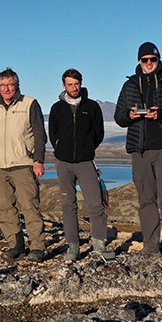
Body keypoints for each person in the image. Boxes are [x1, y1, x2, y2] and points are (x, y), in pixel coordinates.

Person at [114, 42, 162, 258]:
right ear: (139, 61)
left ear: (158, 59)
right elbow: (118, 117)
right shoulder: (130, 85)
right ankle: (150, 247)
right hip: (139, 150)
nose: (149, 63)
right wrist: (129, 115)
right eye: (145, 59)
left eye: (153, 59)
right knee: (145, 199)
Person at [0, 67, 49, 262]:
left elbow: (39, 135)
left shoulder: (29, 104)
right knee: (3, 207)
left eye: (10, 85)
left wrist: (38, 160)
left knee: (29, 206)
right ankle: (15, 245)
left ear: (17, 85)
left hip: (23, 163)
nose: (6, 89)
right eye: (2, 85)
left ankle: (37, 246)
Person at [48, 68, 112, 262]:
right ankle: (73, 247)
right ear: (64, 85)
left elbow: (98, 133)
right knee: (68, 205)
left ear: (81, 84)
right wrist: (61, 149)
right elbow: (53, 134)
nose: (74, 88)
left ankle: (99, 246)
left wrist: (88, 148)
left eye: (76, 84)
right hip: (64, 163)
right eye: (70, 84)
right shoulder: (57, 108)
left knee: (95, 204)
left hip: (85, 162)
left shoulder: (92, 107)